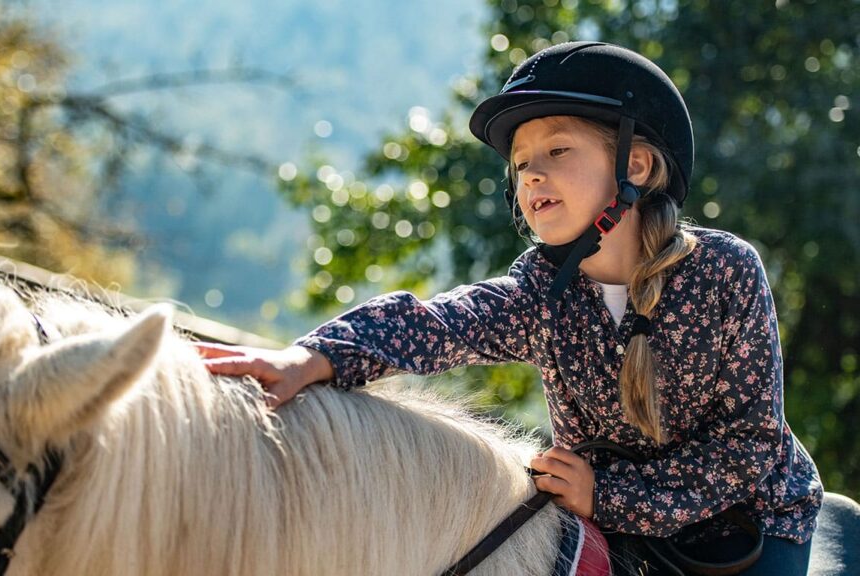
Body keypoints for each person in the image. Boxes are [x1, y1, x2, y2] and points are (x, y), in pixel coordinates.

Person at [196, 42, 822, 574]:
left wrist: (609, 495)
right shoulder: (538, 291)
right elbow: (440, 323)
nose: (531, 178)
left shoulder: (725, 273)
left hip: (744, 522)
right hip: (599, 508)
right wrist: (313, 357)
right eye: (521, 165)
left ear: (635, 164)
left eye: (556, 152)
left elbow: (749, 451)